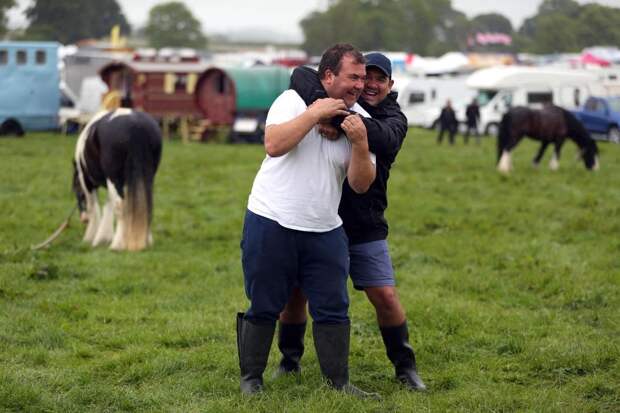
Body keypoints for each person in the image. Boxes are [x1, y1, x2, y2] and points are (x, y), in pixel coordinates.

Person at [276, 52, 426, 392]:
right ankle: (289, 361)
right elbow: (300, 74)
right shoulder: (335, 97)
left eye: (379, 79)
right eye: (364, 77)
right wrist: (327, 110)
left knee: (384, 294)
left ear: (391, 84)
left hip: (364, 221)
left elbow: (383, 138)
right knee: (296, 293)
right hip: (317, 215)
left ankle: (405, 366)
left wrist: (337, 120)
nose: (370, 85)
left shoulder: (395, 119)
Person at [237, 43, 377, 397]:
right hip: (272, 219)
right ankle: (251, 379)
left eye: (362, 78)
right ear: (328, 75)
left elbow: (361, 185)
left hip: (325, 228)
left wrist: (360, 144)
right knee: (265, 302)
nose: (360, 85)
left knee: (333, 307)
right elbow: (273, 144)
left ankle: (340, 382)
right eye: (353, 77)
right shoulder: (291, 101)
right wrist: (315, 114)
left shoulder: (360, 120)